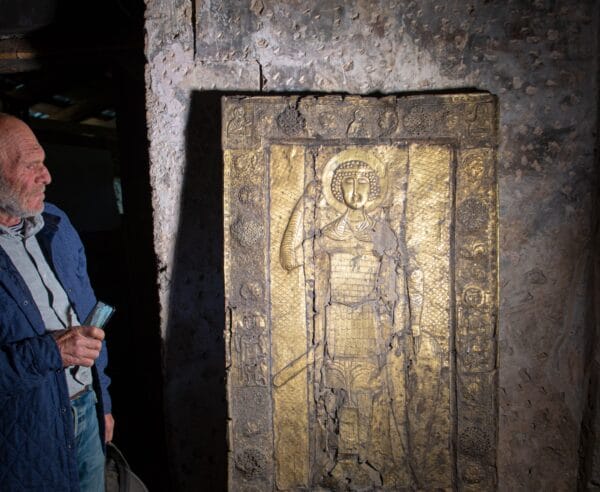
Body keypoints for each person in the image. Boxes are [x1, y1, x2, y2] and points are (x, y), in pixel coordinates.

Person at [0, 113, 114, 491]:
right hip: (27, 434)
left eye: (43, 162)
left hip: (87, 410)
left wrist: (104, 402)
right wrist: (50, 352)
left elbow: (88, 313)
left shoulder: (55, 221)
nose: (46, 176)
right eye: (31, 166)